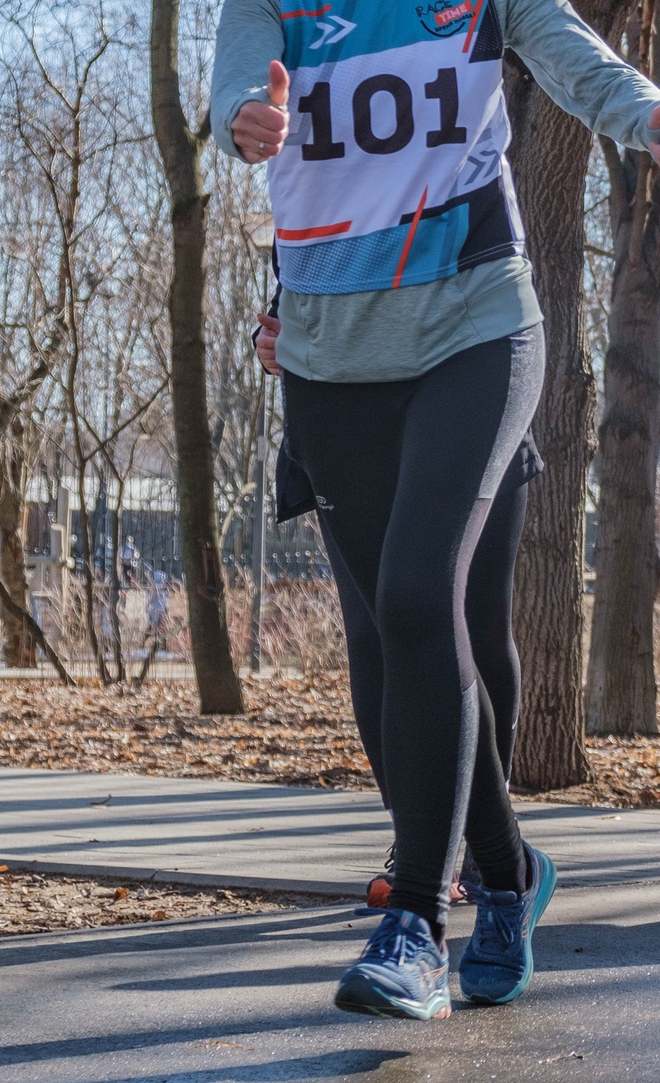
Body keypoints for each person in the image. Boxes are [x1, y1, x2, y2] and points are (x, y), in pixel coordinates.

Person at [216, 0, 660, 1020]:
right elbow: (230, 95)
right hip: (329, 349)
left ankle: (414, 928)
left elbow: (576, 60)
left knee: (431, 590)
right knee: (386, 648)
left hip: (475, 322)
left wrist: (652, 123)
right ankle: (505, 871)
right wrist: (247, 117)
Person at [259, 314, 529, 912]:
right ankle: (420, 843)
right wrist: (280, 330)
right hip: (344, 422)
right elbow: (298, 274)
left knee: (472, 628)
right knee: (379, 637)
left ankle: (488, 850)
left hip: (463, 395)